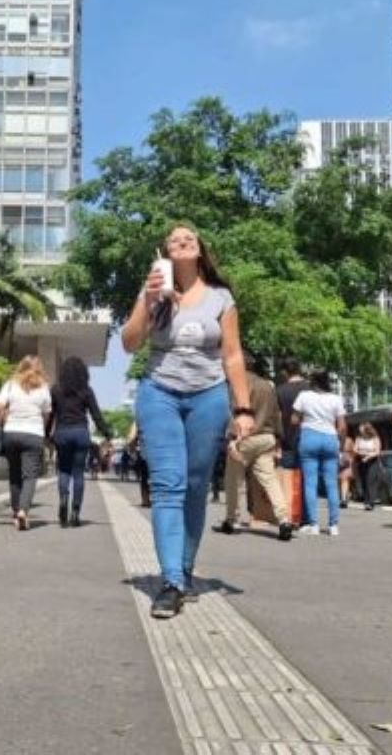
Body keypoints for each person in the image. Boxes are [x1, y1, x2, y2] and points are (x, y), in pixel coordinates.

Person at [122, 224, 252, 620]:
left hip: (209, 397)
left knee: (196, 486)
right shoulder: (154, 291)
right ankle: (172, 581)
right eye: (175, 239)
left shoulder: (220, 298)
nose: (183, 241)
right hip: (159, 393)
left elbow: (232, 355)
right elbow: (129, 343)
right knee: (167, 486)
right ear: (165, 250)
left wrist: (243, 409)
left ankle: (186, 566)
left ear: (199, 250)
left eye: (190, 238)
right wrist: (148, 299)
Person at [214, 355, 294, 541]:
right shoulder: (267, 385)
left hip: (244, 438)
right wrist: (278, 439)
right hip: (266, 437)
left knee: (233, 480)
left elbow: (230, 412)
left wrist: (229, 437)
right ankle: (284, 519)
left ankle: (231, 519)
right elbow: (276, 413)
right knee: (270, 480)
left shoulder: (236, 385)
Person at [49, 356, 112, 528]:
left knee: (63, 471)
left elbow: (51, 414)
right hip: (80, 433)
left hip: (62, 433)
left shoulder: (55, 390)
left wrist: (48, 434)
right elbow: (96, 415)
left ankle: (63, 499)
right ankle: (75, 512)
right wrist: (107, 433)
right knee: (78, 473)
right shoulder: (86, 391)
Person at [0, 355, 51, 531]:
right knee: (30, 476)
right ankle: (23, 511)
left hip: (11, 432)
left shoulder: (10, 384)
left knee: (14, 474)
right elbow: (47, 412)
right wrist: (42, 428)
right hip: (33, 434)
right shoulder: (43, 387)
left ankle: (15, 512)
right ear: (39, 368)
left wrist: (2, 423)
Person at [291, 371, 347, 536]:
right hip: (330, 439)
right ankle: (333, 525)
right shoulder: (336, 399)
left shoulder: (304, 396)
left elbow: (293, 420)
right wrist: (341, 447)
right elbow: (342, 427)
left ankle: (314, 525)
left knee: (310, 483)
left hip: (309, 437)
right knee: (331, 483)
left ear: (313, 382)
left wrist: (305, 422)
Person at [274, 358, 309, 525]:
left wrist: (277, 442)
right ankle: (307, 517)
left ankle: (289, 515)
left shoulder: (280, 391)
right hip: (308, 436)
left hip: (288, 438)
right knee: (307, 478)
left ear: (285, 372)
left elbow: (278, 418)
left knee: (288, 478)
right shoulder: (310, 388)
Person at [353, 423, 382, 510]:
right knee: (364, 481)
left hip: (372, 460)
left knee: (371, 480)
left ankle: (371, 502)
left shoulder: (375, 438)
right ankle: (366, 501)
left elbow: (377, 451)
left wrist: (368, 456)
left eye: (362, 430)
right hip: (361, 460)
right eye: (360, 430)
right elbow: (355, 449)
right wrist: (361, 453)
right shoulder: (359, 438)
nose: (360, 431)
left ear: (367, 430)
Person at [126, 422, 151, 507]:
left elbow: (131, 438)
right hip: (161, 451)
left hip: (144, 452)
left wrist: (132, 451)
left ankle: (145, 500)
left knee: (144, 477)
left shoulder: (139, 419)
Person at [338, 435, 355, 509]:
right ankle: (343, 497)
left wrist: (351, 460)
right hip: (336, 461)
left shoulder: (349, 440)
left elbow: (353, 452)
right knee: (339, 481)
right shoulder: (333, 439)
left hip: (346, 462)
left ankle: (344, 499)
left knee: (344, 480)